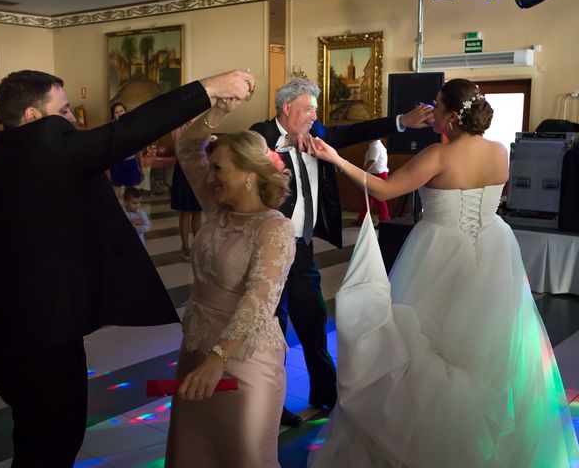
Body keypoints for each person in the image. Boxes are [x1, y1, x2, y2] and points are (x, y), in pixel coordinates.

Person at [0, 68, 255, 467]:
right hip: (47, 332)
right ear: (33, 118)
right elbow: (125, 132)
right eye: (65, 110)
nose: (73, 119)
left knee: (30, 431)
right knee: (57, 437)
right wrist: (209, 89)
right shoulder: (51, 150)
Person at [306, 78, 579, 467]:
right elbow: (495, 196)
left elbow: (384, 191)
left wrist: (336, 158)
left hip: (439, 248)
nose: (431, 109)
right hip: (493, 247)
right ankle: (491, 437)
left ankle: (430, 438)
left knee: (425, 339)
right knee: (488, 339)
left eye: (437, 104)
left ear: (451, 116)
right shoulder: (500, 150)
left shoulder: (438, 156)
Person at [249, 77, 434, 425]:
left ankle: (326, 395)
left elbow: (356, 131)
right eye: (307, 109)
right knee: (271, 330)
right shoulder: (260, 133)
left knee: (314, 321)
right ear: (286, 108)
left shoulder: (317, 133)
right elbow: (248, 147)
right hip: (267, 249)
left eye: (315, 111)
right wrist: (287, 140)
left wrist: (402, 122)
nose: (312, 116)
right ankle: (271, 405)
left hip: (301, 248)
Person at [165, 98, 295, 468]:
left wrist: (218, 359)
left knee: (243, 456)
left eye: (219, 168)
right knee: (191, 453)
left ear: (248, 173)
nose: (210, 177)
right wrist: (218, 110)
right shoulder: (218, 206)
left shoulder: (274, 228)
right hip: (196, 351)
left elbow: (259, 302)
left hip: (244, 362)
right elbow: (187, 147)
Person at [170, 123, 203, 261]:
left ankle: (197, 245)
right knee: (185, 210)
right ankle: (185, 246)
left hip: (199, 169)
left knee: (197, 210)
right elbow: (179, 150)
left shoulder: (201, 125)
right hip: (184, 170)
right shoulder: (178, 128)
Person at [107, 102, 144, 197]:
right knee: (115, 192)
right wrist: (108, 171)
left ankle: (129, 212)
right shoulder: (111, 130)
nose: (120, 113)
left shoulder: (133, 128)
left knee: (130, 193)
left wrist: (141, 168)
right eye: (116, 112)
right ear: (113, 116)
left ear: (126, 112)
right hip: (116, 164)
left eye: (121, 111)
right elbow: (107, 152)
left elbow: (138, 151)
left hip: (130, 163)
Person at [355, 139, 389, 226]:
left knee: (375, 199)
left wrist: (363, 172)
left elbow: (372, 161)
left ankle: (382, 219)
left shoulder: (375, 146)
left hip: (377, 175)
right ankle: (382, 219)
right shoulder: (377, 145)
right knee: (373, 199)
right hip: (378, 174)